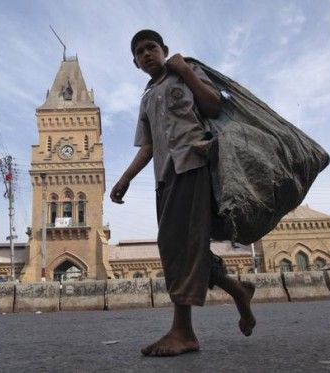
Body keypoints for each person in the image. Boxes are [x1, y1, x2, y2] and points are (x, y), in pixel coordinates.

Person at [110, 29, 256, 357]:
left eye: (152, 47)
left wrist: (186, 71)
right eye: (140, 52)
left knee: (177, 245)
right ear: (135, 63)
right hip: (166, 175)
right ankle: (237, 289)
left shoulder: (185, 72)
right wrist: (125, 178)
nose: (147, 54)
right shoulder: (147, 98)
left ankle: (184, 332)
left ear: (164, 50)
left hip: (193, 164)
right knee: (183, 246)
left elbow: (215, 105)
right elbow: (148, 146)